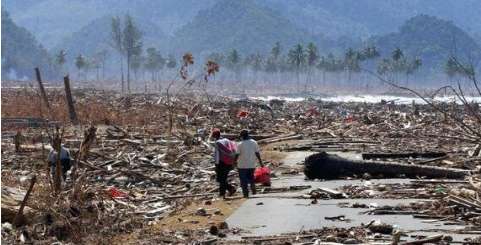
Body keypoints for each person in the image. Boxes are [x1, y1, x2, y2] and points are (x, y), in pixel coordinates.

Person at [235, 129, 263, 198]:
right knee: (251, 179)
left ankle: (246, 194)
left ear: (242, 136)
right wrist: (260, 162)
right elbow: (257, 153)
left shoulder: (240, 144)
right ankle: (254, 192)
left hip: (242, 166)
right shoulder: (254, 142)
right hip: (251, 164)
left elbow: (237, 155)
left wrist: (234, 162)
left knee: (243, 181)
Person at [211, 128, 236, 198]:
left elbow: (217, 154)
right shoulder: (227, 140)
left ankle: (228, 190)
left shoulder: (218, 142)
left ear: (215, 136)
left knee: (220, 179)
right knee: (223, 178)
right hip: (229, 162)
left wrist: (216, 164)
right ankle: (224, 193)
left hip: (222, 163)